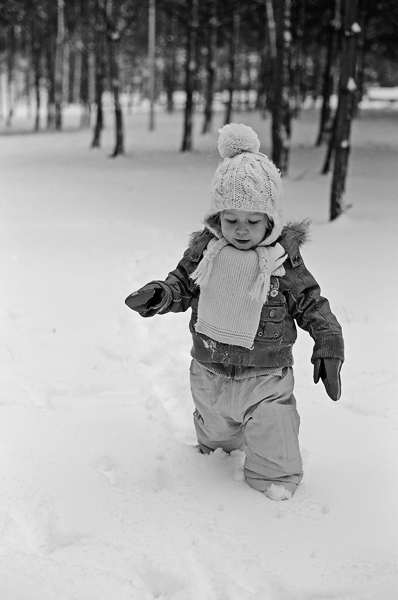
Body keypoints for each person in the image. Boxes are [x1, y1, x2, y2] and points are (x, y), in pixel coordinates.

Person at [125, 123, 344, 501]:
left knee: (276, 461)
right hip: (208, 372)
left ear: (271, 219)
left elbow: (312, 304)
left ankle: (274, 511)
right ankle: (220, 451)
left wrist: (329, 342)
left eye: (253, 221)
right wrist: (161, 294)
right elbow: (181, 285)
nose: (241, 230)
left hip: (265, 379)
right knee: (217, 445)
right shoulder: (205, 253)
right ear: (215, 218)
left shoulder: (282, 263)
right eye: (231, 220)